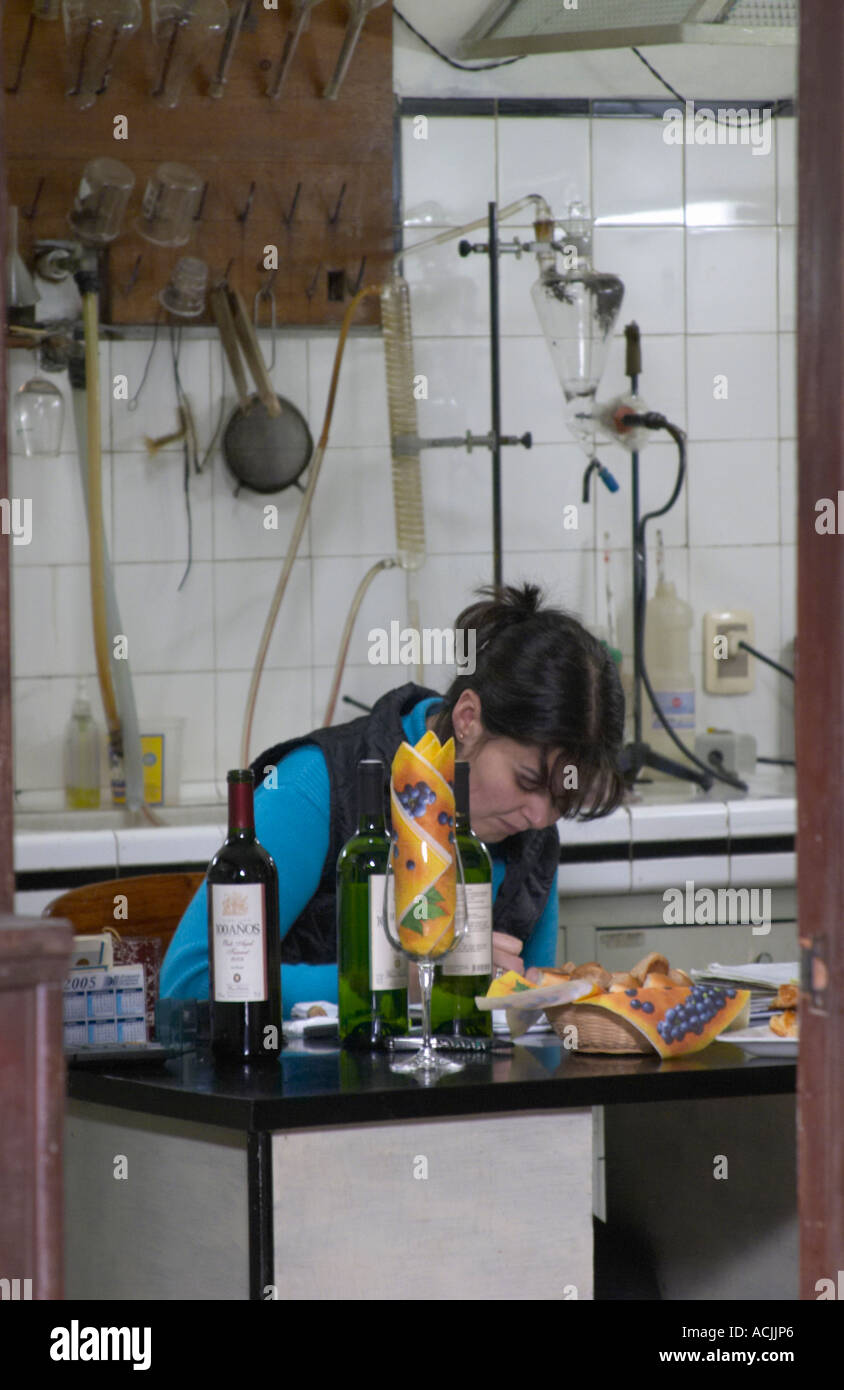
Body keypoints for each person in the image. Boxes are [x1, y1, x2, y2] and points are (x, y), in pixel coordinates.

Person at [159, 582, 626, 1015]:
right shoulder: (316, 785)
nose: (541, 816)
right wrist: (406, 980)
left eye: (563, 797)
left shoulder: (531, 829)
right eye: (526, 780)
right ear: (468, 718)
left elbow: (526, 1017)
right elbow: (189, 986)